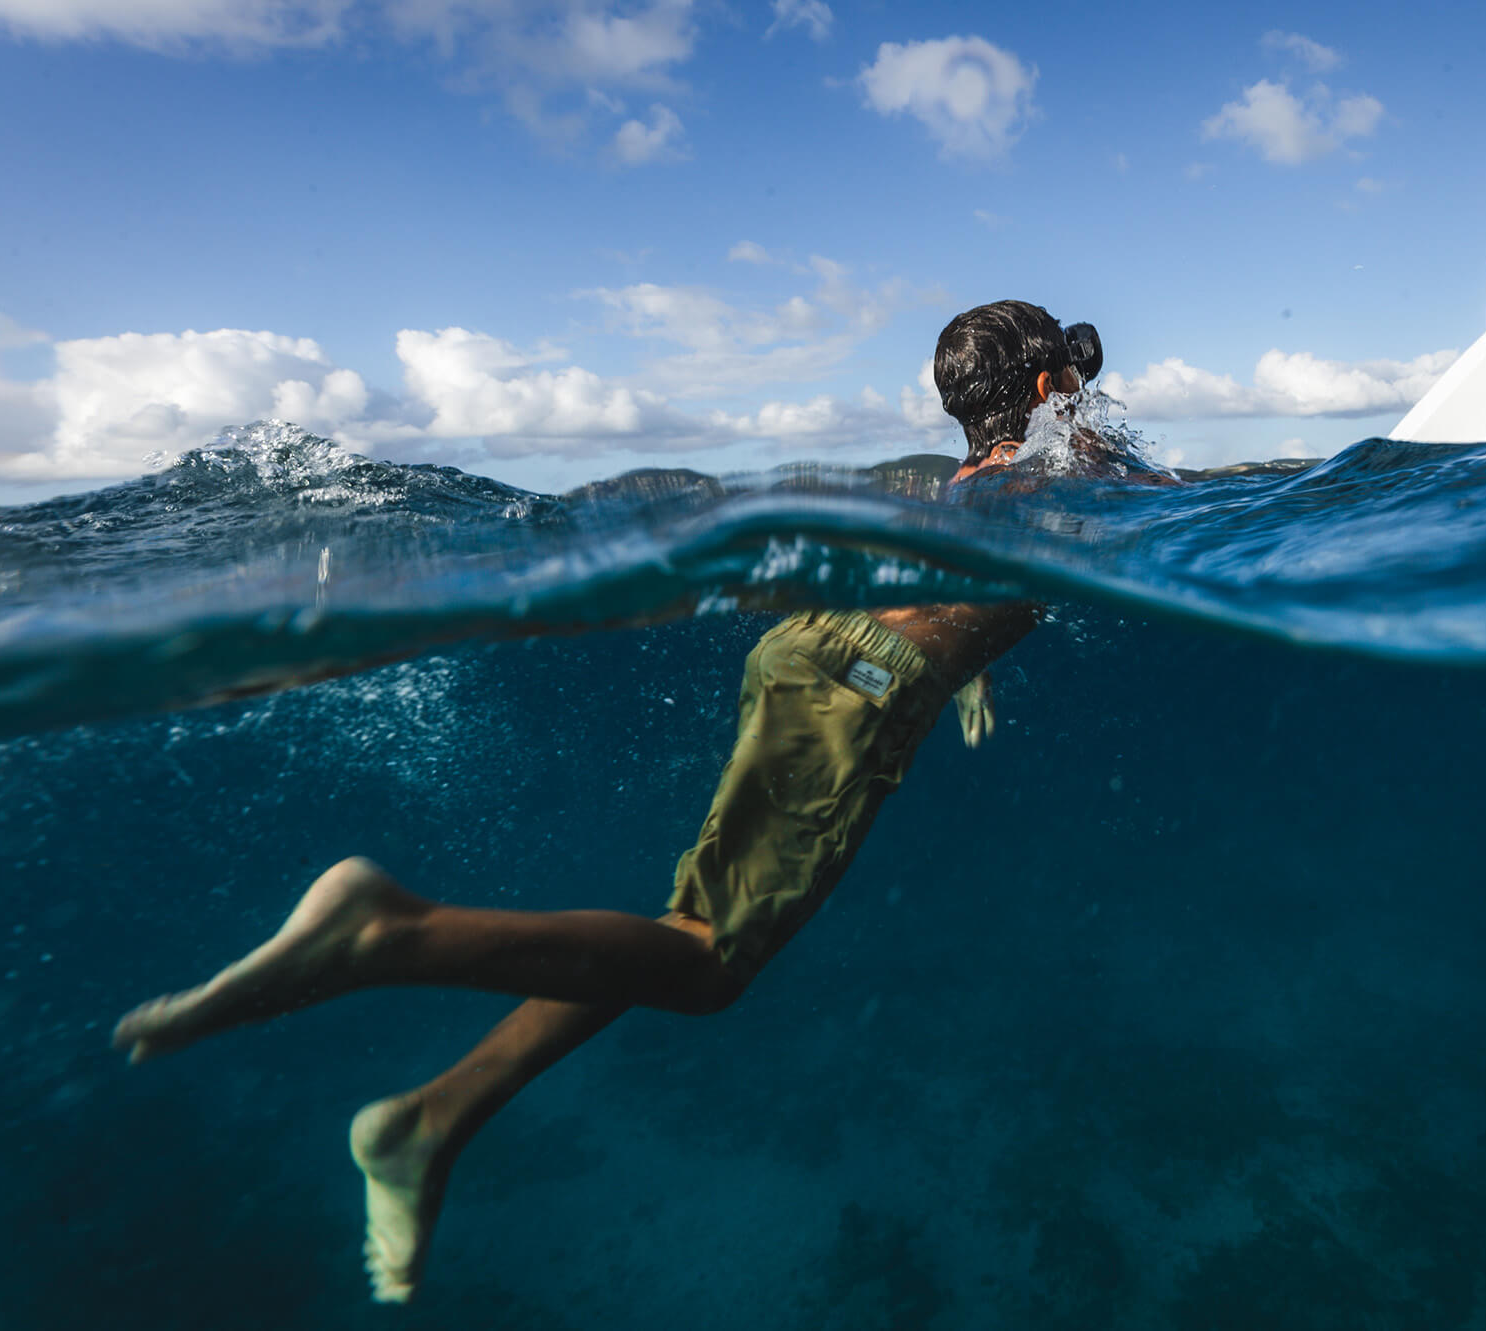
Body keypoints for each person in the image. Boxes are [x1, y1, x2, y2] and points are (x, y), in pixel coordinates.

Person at [111, 299, 1098, 1303]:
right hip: (869, 684)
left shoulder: (959, 481)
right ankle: (387, 932)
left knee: (681, 931)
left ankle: (431, 1121)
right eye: (1064, 376)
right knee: (707, 964)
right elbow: (1074, 503)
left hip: (814, 645)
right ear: (1038, 386)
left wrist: (966, 665)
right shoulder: (1074, 456)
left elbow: (961, 567)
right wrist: (1079, 424)